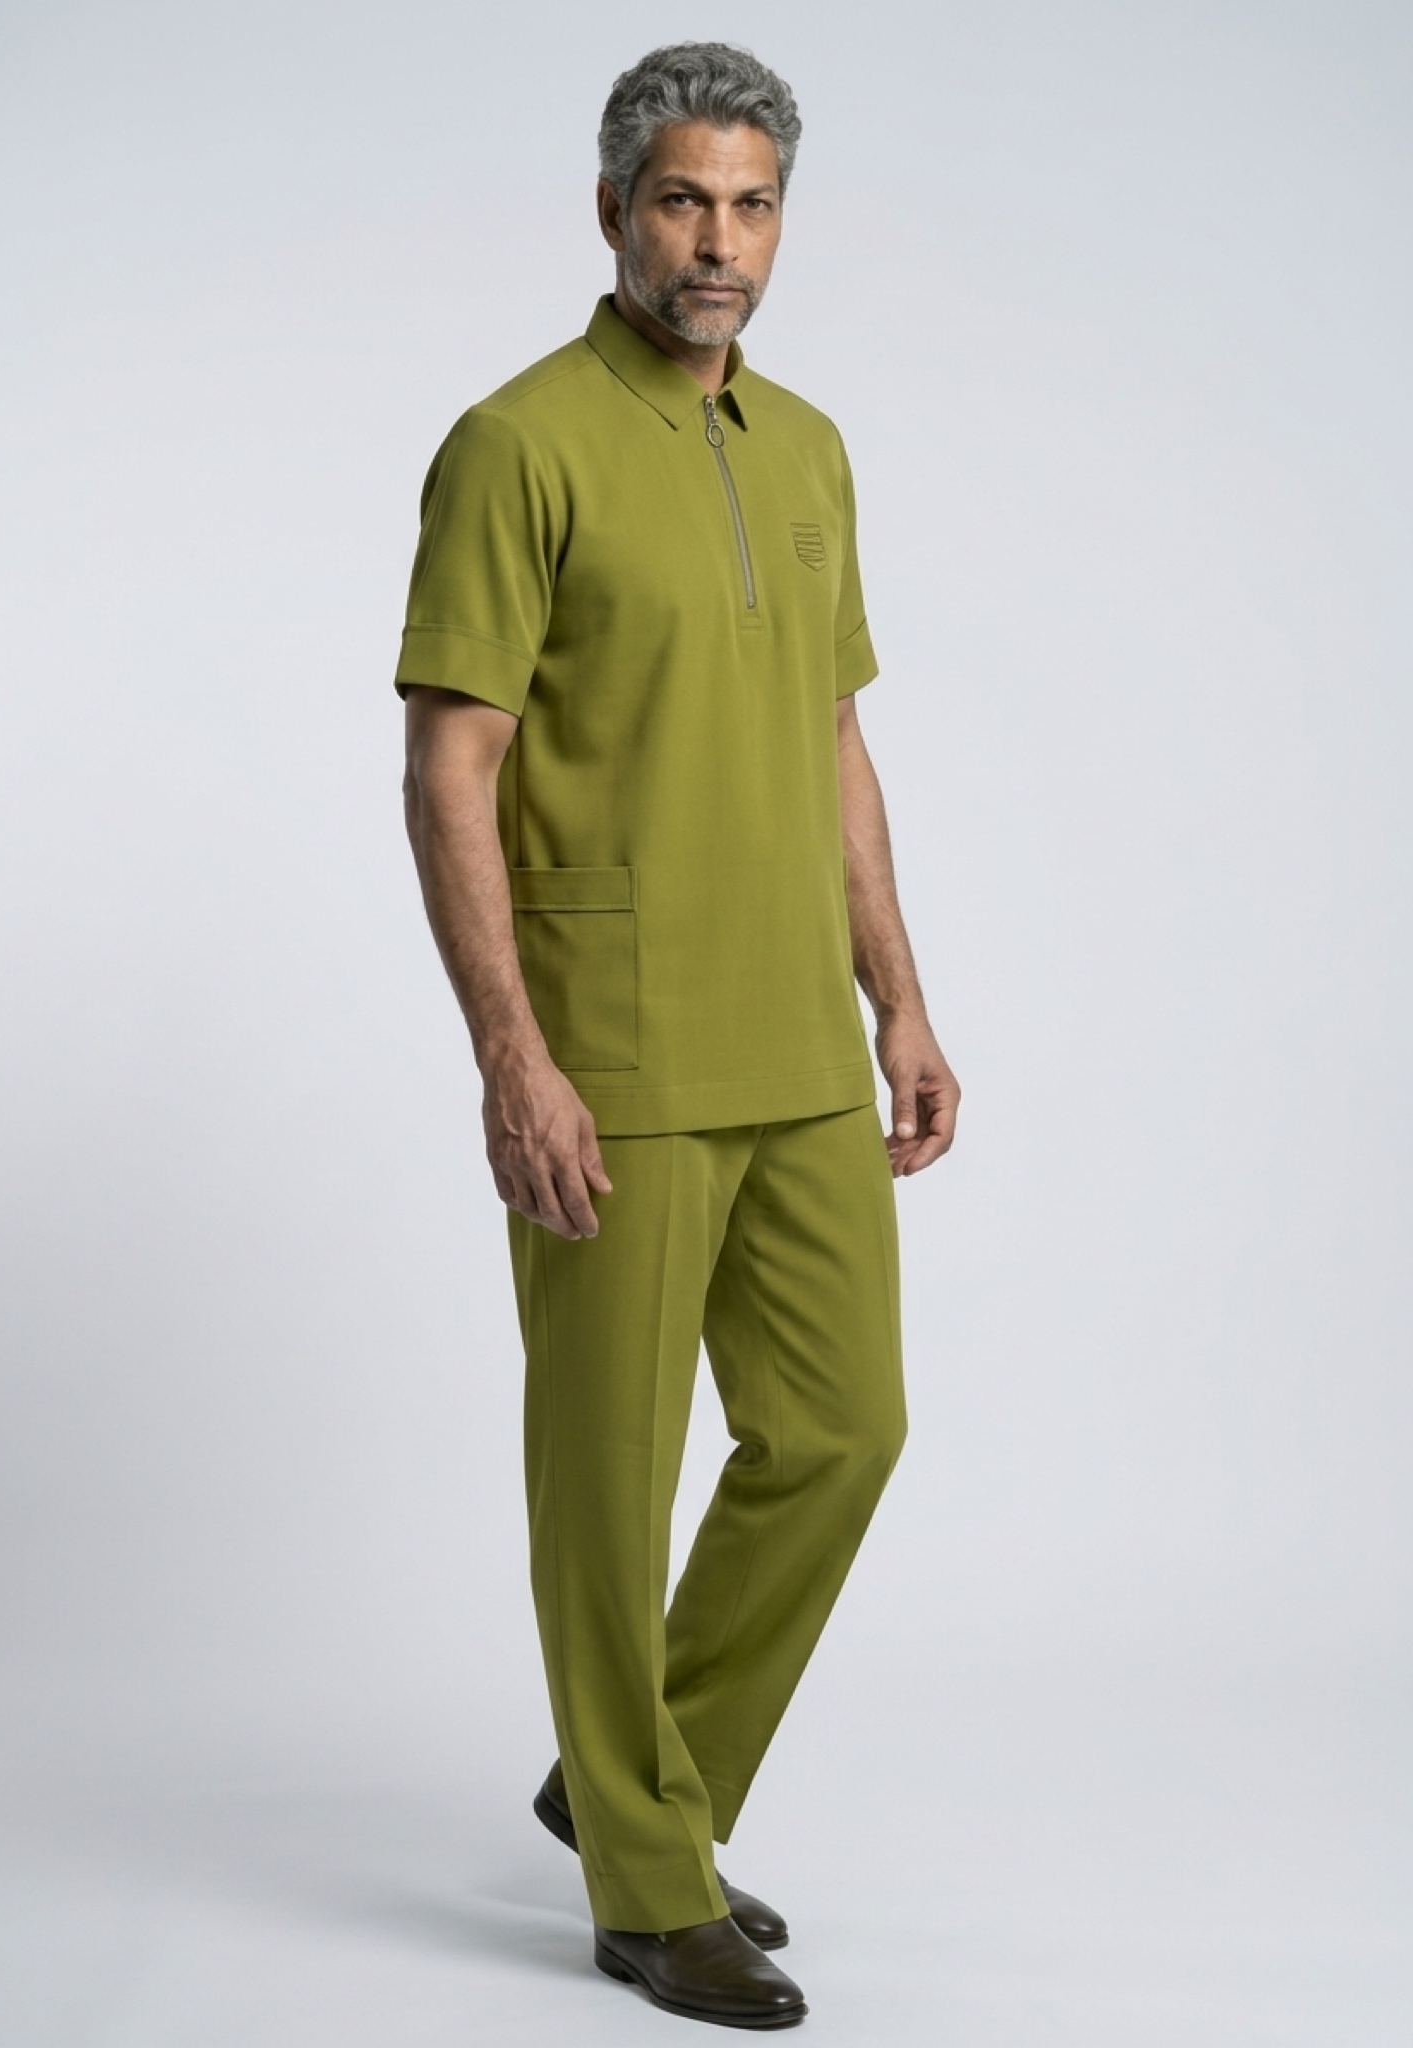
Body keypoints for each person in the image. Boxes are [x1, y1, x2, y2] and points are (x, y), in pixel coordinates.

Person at [399, 42, 959, 2030]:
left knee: (843, 1428)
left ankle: (631, 1775)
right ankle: (650, 1883)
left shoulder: (806, 448)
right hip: (616, 1045)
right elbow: (451, 768)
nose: (718, 241)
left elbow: (835, 739)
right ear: (613, 211)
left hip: (796, 1039)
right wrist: (513, 1056)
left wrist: (898, 991)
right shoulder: (516, 443)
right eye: (681, 201)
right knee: (609, 1476)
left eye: (751, 204)